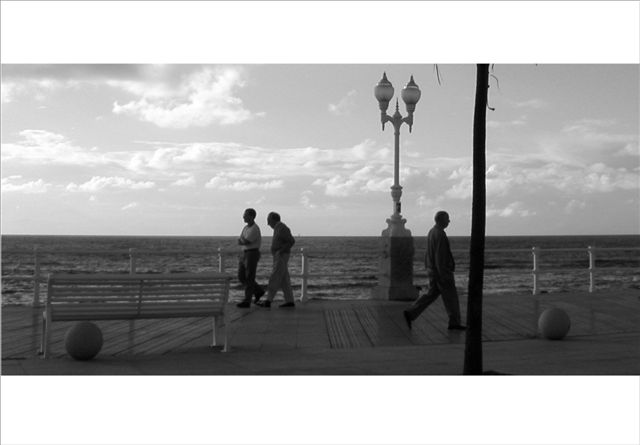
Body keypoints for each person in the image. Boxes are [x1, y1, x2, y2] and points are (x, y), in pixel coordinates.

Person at [403, 211, 466, 330]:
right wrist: (443, 273)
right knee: (451, 297)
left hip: (433, 270)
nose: (449, 221)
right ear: (441, 220)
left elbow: (429, 253)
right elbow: (440, 255)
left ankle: (411, 312)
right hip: (441, 272)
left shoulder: (432, 232)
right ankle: (454, 322)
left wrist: (429, 267)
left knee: (430, 295)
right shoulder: (440, 234)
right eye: (447, 219)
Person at [257, 212, 296, 308]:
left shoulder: (281, 228)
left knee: (274, 277)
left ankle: (268, 301)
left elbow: (291, 241)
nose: (268, 223)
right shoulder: (279, 228)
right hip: (280, 255)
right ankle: (290, 301)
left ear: (273, 219)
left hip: (281, 256)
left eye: (268, 220)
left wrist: (280, 251)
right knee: (284, 280)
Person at [236, 208, 265, 308]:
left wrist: (243, 240)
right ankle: (258, 291)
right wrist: (243, 240)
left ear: (251, 216)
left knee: (249, 277)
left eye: (245, 215)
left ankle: (247, 300)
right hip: (244, 253)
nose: (243, 217)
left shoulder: (254, 228)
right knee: (241, 276)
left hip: (252, 253)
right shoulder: (245, 228)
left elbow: (246, 241)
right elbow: (240, 240)